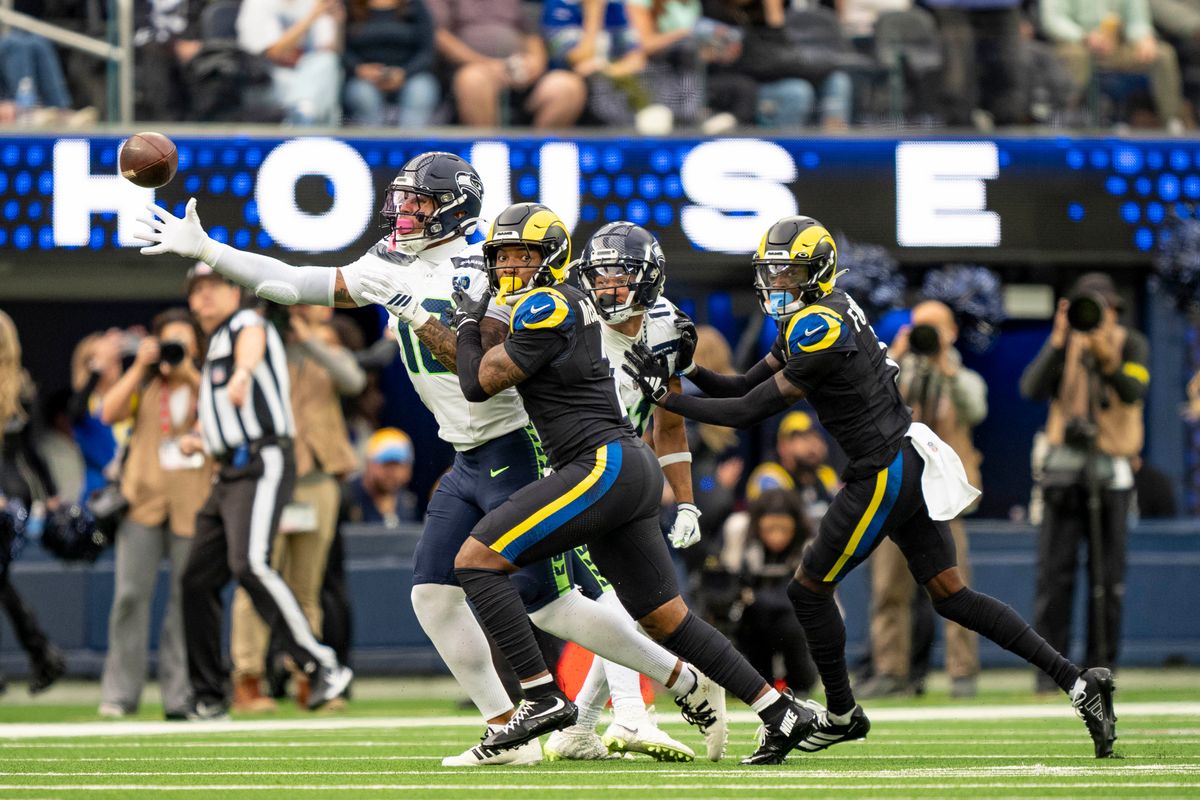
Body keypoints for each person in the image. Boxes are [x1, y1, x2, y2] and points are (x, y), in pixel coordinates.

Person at [136, 152, 728, 766]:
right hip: (466, 453)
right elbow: (291, 283)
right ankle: (506, 726)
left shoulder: (490, 269)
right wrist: (208, 250)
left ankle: (680, 679)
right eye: (403, 198)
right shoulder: (388, 263)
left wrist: (415, 310)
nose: (404, 210)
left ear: (454, 207)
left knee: (551, 601)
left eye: (418, 201)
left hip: (518, 445)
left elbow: (497, 365)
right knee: (433, 596)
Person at [622, 214, 1119, 761]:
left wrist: (667, 398)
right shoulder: (821, 314)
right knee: (953, 596)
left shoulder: (819, 326)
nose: (777, 283)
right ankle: (1078, 683)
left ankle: (841, 714)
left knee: (807, 591)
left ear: (817, 272)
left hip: (883, 468)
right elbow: (739, 384)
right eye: (773, 272)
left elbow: (747, 411)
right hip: (899, 460)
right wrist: (686, 368)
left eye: (788, 272)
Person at [447, 201, 818, 762]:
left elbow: (479, 383)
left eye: (522, 258)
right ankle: (778, 709)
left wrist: (471, 319)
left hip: (600, 464)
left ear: (550, 260)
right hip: (623, 466)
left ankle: (542, 696)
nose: (509, 270)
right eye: (502, 259)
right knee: (664, 618)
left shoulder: (550, 303)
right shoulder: (563, 303)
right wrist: (488, 315)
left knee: (477, 561)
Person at [543, 221, 704, 762]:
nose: (608, 284)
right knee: (616, 600)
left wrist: (685, 499)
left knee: (629, 603)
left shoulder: (669, 329)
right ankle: (631, 719)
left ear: (648, 278)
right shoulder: (565, 316)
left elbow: (671, 422)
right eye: (600, 272)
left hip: (622, 474)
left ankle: (582, 728)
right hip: (560, 467)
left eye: (621, 272)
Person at [169, 264, 352, 719]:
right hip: (228, 470)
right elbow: (219, 414)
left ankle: (321, 665)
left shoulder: (247, 324)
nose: (203, 298)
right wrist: (201, 438)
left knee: (250, 564)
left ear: (236, 291)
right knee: (197, 578)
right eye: (197, 290)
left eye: (214, 287)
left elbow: (250, 346)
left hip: (263, 460)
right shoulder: (213, 346)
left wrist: (243, 373)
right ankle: (210, 694)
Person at [229, 302, 365, 712]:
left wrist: (308, 340)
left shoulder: (324, 345)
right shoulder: (257, 345)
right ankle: (247, 678)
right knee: (257, 578)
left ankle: (308, 676)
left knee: (307, 586)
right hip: (269, 473)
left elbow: (353, 380)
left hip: (318, 476)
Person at [1019, 272, 1149, 691]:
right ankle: (1050, 672)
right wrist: (1059, 342)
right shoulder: (1065, 344)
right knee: (1053, 576)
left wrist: (1106, 358)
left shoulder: (1132, 344)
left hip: (1110, 471)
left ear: (1114, 310)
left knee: (1107, 580)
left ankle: (1102, 669)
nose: (1095, 316)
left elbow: (1132, 390)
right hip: (1063, 469)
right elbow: (1032, 388)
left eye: (1102, 308)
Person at [861, 299, 985, 700]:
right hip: (898, 491)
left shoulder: (961, 375)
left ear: (950, 332)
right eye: (919, 326)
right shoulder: (898, 371)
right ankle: (890, 670)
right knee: (888, 589)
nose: (925, 334)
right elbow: (870, 402)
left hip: (945, 497)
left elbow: (976, 407)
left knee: (956, 587)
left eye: (933, 327)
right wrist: (895, 356)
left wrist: (946, 367)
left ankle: (962, 673)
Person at [97, 308, 213, 720]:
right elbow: (107, 412)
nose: (175, 350)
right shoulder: (146, 382)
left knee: (185, 603)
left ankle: (179, 697)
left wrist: (188, 371)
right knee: (129, 597)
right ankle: (119, 695)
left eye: (182, 342)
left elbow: (223, 416)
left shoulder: (206, 382)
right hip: (142, 503)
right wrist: (141, 365)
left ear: (197, 346)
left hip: (192, 503)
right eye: (169, 342)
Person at [0, 309, 66, 695]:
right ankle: (43, 654)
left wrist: (53, 493)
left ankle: (43, 653)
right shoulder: (22, 384)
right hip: (17, 497)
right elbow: (35, 453)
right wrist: (51, 492)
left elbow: (31, 451)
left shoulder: (19, 387)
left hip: (10, 497)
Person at [718, 489, 818, 696]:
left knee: (794, 623)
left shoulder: (809, 542)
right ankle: (753, 682)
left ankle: (800, 683)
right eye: (770, 528)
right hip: (750, 619)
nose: (777, 537)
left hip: (794, 618)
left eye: (784, 529)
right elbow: (730, 577)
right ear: (758, 525)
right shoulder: (740, 531)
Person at [427, 0, 587, 127]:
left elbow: (532, 34)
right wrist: (488, 64)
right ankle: (489, 157)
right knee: (473, 80)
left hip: (520, 70)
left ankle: (535, 158)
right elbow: (439, 36)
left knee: (568, 86)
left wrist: (535, 62)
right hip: (472, 69)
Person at [1041, 0, 1185, 130]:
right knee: (1077, 56)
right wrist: (1085, 37)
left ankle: (1170, 120)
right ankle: (1066, 117)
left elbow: (1137, 21)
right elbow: (1053, 21)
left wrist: (1143, 38)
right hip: (1074, 43)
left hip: (1115, 44)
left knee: (1163, 54)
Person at [237, 0, 345, 125]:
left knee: (327, 62)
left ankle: (302, 115)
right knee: (318, 97)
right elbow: (274, 53)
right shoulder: (258, 3)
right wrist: (312, 17)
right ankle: (304, 118)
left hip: (309, 76)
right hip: (269, 78)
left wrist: (338, 24)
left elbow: (331, 51)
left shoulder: (314, 2)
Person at [924, 0, 1023, 128]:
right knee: (957, 78)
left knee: (1007, 71)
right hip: (951, 6)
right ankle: (957, 133)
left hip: (1003, 5)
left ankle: (1011, 131)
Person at [342, 0, 440, 127]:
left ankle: (410, 144)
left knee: (421, 91)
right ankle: (372, 144)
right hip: (364, 77)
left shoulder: (413, 5)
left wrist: (404, 73)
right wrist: (358, 69)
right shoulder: (351, 5)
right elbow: (341, 49)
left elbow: (427, 52)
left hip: (410, 75)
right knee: (363, 95)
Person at [745, 410, 839, 532]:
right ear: (783, 446)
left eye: (817, 436)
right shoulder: (770, 475)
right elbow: (775, 530)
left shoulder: (827, 474)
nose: (813, 443)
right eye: (802, 436)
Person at [342, 427, 420, 527]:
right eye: (386, 464)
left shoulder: (408, 504)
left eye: (397, 465)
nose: (392, 473)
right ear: (368, 463)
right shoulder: (347, 497)